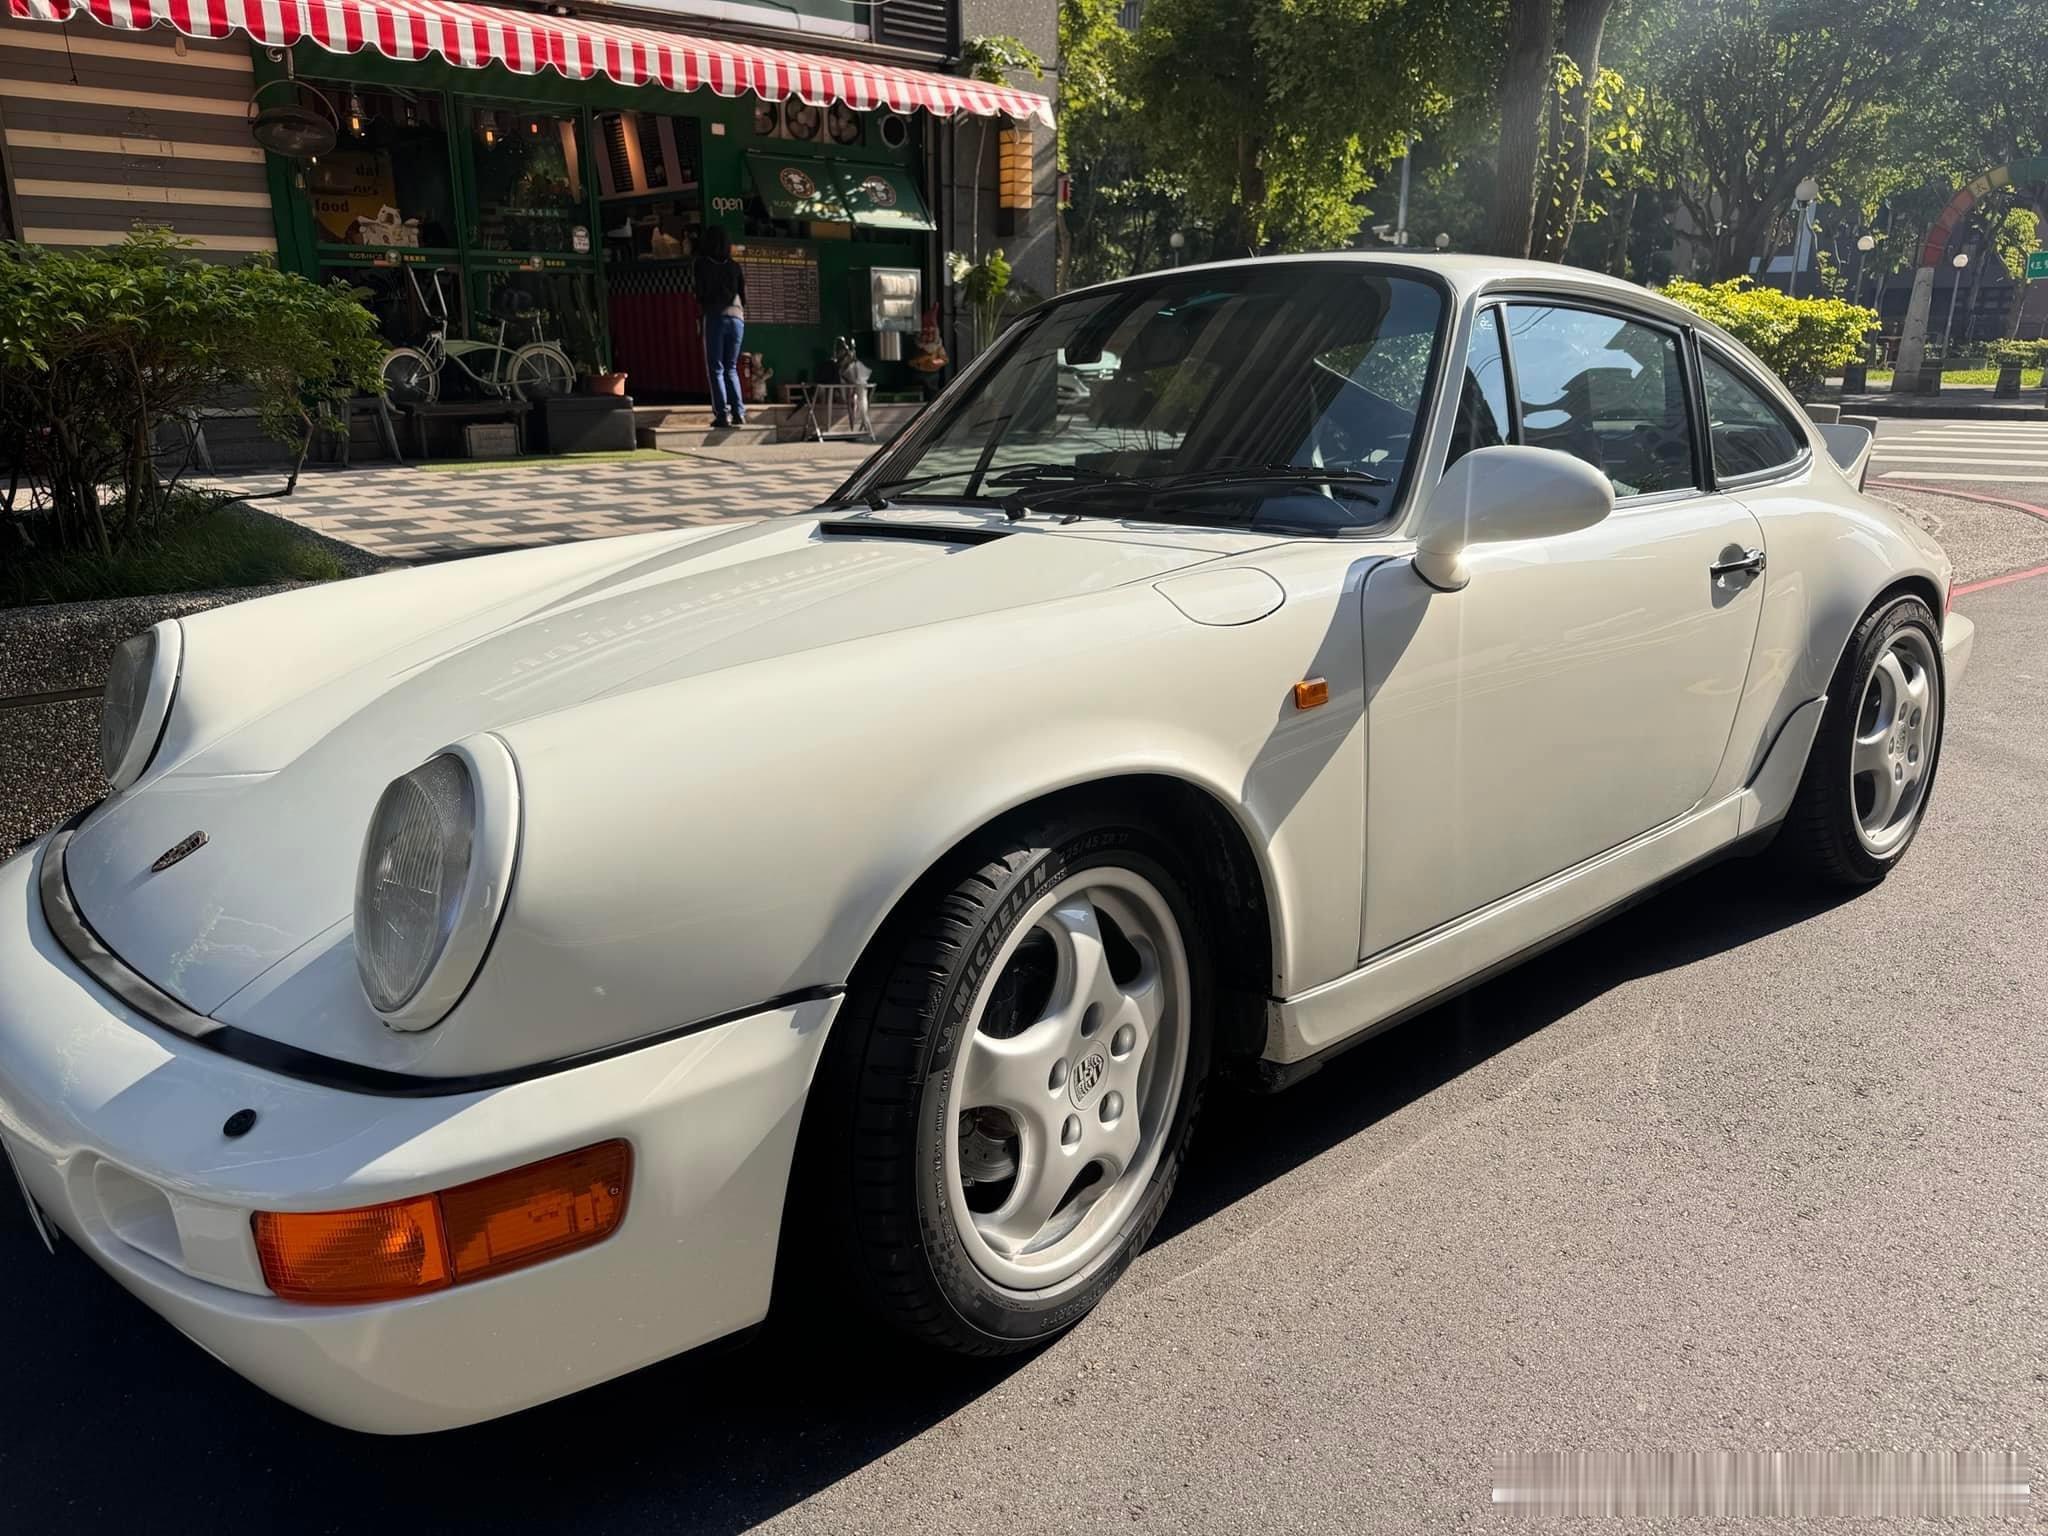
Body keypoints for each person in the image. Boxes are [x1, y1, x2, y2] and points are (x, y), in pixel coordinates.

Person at [694, 227, 747, 428]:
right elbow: (744, 296)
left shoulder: (701, 264)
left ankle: (722, 415)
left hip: (715, 316)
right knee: (731, 367)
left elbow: (699, 293)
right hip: (737, 317)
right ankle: (739, 412)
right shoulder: (735, 266)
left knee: (716, 367)